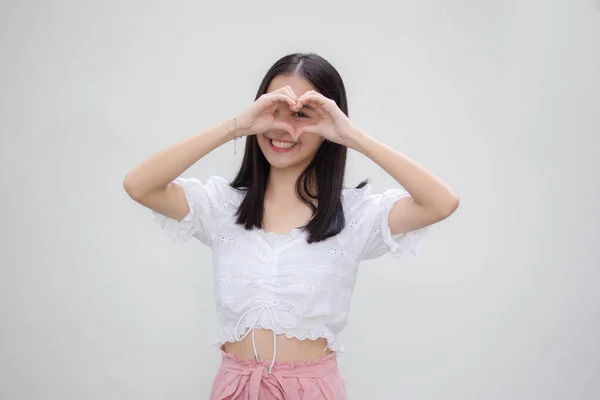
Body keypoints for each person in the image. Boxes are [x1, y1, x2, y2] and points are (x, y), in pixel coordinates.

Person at [123, 52, 459, 400]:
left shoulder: (356, 214)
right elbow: (139, 185)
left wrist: (352, 136)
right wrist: (235, 127)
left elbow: (441, 202)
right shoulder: (222, 206)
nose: (283, 128)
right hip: (235, 388)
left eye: (301, 115)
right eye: (273, 110)